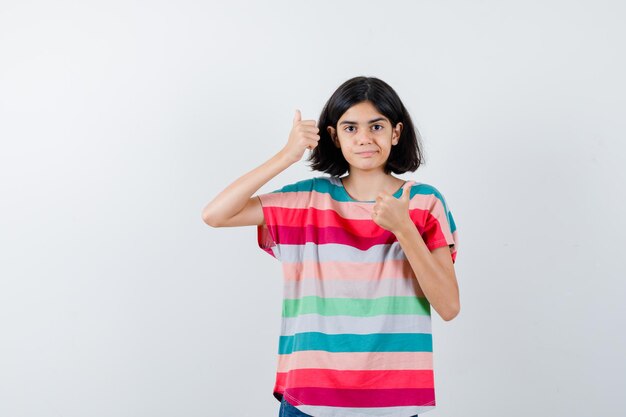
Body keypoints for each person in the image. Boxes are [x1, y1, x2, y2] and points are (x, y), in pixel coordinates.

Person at [201, 76, 459, 417]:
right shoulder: (308, 198)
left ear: (396, 133)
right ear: (334, 136)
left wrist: (404, 229)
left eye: (376, 126)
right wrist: (286, 155)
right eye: (350, 128)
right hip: (309, 400)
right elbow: (215, 214)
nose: (364, 138)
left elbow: (449, 306)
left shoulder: (425, 202)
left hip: (393, 403)